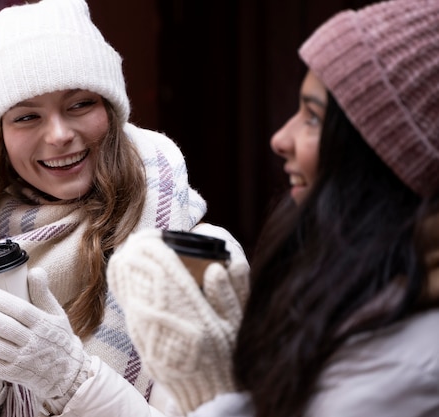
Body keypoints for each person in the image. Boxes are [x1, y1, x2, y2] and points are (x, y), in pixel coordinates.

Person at [0, 0, 247, 416]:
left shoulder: (198, 258)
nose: (58, 134)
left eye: (79, 104)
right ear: (2, 138)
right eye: (27, 117)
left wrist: (70, 381)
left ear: (111, 109)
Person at [107, 0, 439, 416]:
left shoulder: (409, 366)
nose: (281, 138)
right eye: (26, 117)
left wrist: (209, 386)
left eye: (314, 118)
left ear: (390, 152)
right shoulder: (362, 278)